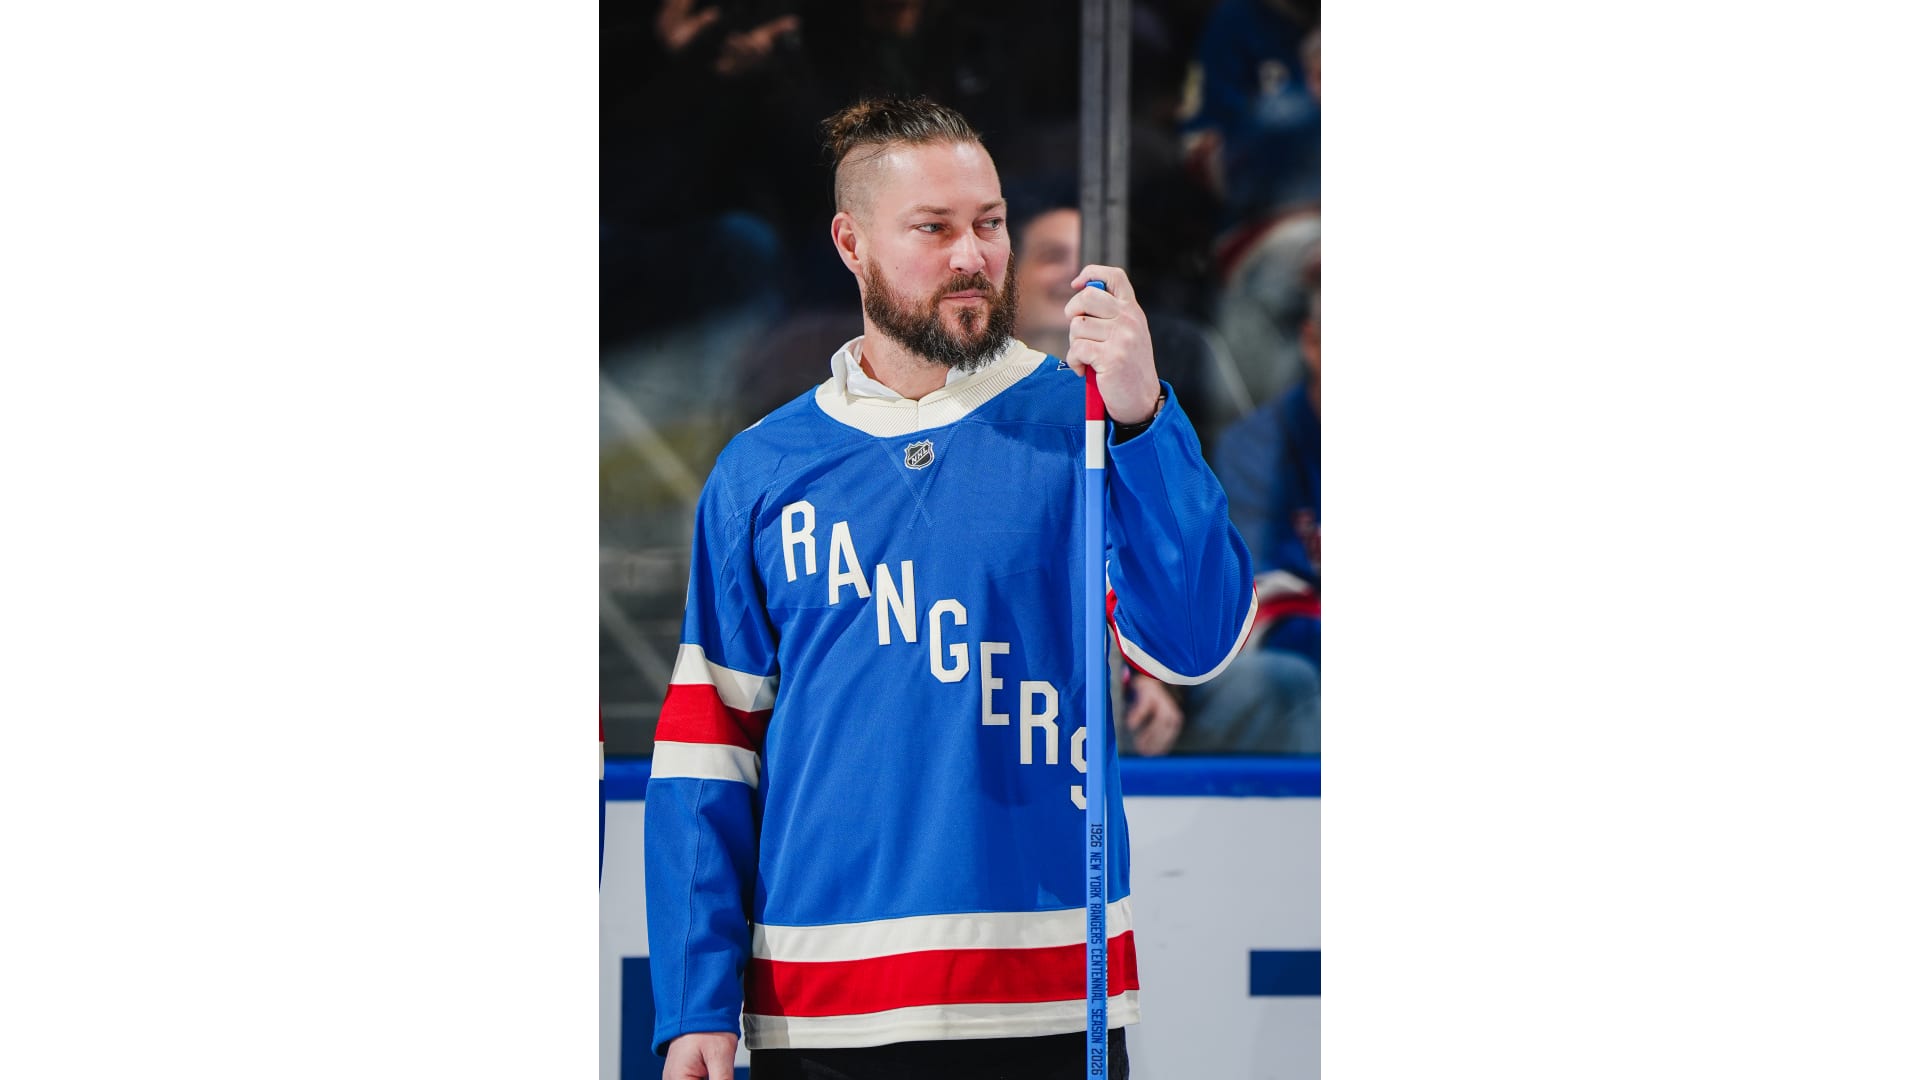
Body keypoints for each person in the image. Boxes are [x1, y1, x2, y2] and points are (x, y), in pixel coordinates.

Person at [644, 95, 1256, 1080]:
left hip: (1049, 990)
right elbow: (709, 751)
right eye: (933, 228)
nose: (974, 255)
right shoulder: (761, 469)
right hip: (819, 1004)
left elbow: (1196, 641)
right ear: (851, 244)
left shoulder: (1088, 422)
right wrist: (694, 1003)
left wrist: (1145, 418)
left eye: (990, 222)